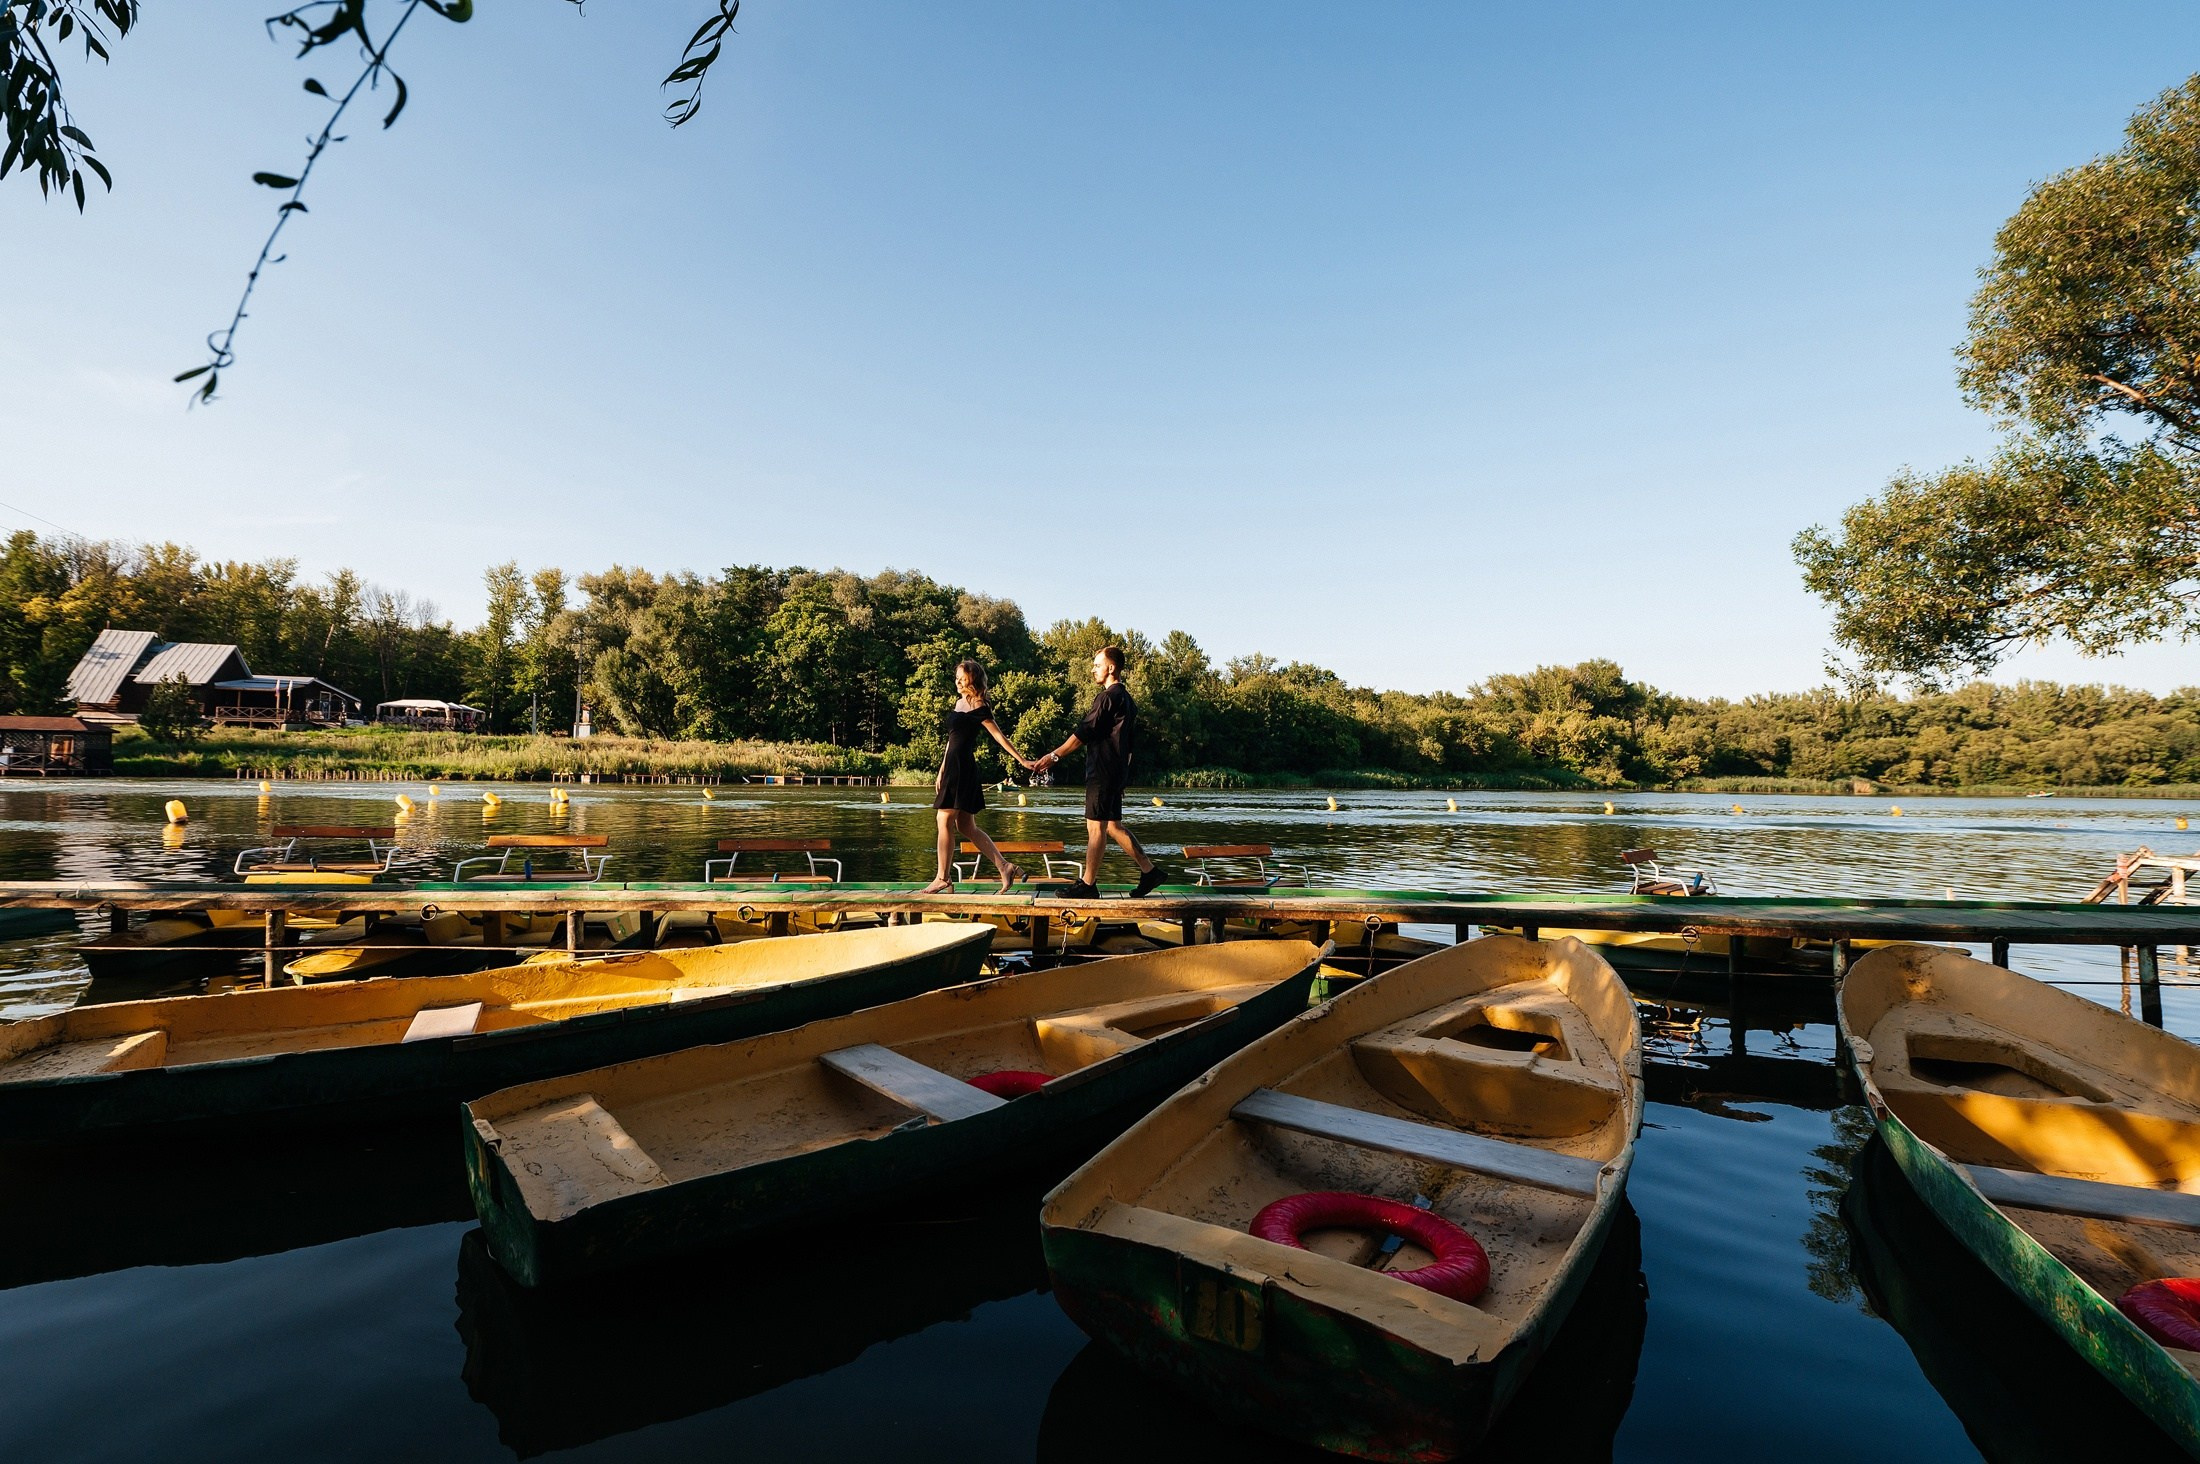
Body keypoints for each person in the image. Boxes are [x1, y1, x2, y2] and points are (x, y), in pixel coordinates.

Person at [1037, 645, 1166, 900]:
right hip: (1115, 772)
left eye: (1097, 665)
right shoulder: (1127, 700)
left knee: (1095, 827)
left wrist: (1054, 756)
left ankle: (1088, 884)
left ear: (1111, 667)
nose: (1093, 669)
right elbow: (1129, 745)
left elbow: (1084, 733)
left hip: (1103, 771)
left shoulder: (1107, 697)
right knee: (1113, 827)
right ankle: (1149, 871)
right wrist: (1122, 777)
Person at [920, 660, 1039, 894]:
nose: (957, 681)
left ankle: (942, 877)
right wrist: (942, 768)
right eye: (956, 677)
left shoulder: (979, 705)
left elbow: (999, 737)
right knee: (966, 826)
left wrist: (1022, 760)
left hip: (963, 767)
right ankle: (1004, 866)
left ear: (971, 679)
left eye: (961, 678)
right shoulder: (959, 702)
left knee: (943, 821)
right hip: (952, 766)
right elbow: (951, 740)